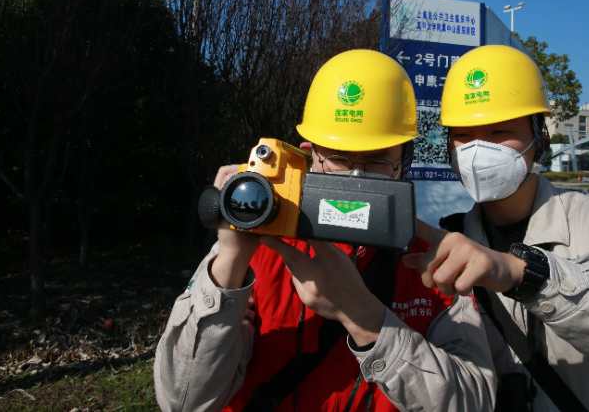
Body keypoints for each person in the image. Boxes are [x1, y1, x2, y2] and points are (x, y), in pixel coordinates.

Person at [154, 49, 497, 412]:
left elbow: (474, 402)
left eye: (377, 159)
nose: (356, 175)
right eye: (339, 157)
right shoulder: (261, 251)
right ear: (309, 155)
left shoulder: (432, 263)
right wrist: (231, 261)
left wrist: (365, 318)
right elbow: (184, 400)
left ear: (403, 161)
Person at [404, 44, 589, 411]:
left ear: (539, 137)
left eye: (499, 131)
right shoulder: (448, 243)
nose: (478, 151)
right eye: (463, 134)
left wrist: (526, 275)